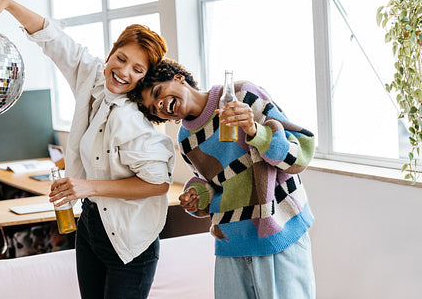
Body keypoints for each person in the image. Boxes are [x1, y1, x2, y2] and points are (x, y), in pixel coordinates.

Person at [0, 0, 175, 299]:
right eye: (122, 58)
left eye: (138, 69)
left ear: (145, 79)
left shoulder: (133, 122)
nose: (124, 71)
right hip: (91, 225)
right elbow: (53, 39)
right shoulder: (93, 77)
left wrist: (87, 186)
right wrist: (8, 4)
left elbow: (158, 184)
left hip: (130, 242)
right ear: (111, 52)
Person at [129, 59, 316, 299]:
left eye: (158, 93)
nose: (161, 104)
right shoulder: (186, 141)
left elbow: (299, 154)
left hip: (279, 234)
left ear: (177, 77)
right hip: (232, 243)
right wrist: (198, 196)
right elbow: (217, 185)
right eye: (154, 108)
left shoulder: (243, 95)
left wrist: (254, 130)